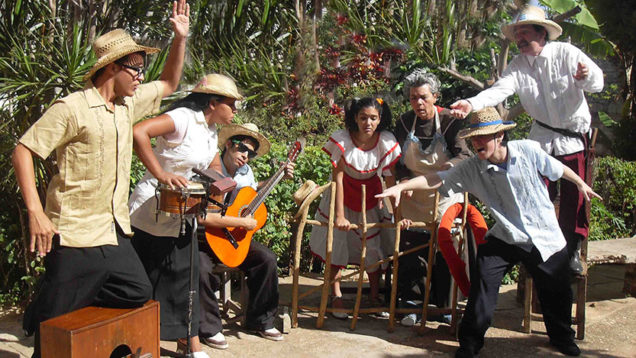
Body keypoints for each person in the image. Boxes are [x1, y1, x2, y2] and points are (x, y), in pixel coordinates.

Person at [12, 2, 189, 357]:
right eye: (135, 69)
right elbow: (24, 149)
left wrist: (179, 38)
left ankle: (54, 303)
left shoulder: (128, 106)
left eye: (142, 69)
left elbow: (169, 82)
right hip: (74, 232)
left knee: (137, 291)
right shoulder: (72, 108)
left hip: (112, 231)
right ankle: (48, 309)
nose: (141, 76)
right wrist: (35, 211)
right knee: (52, 331)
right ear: (111, 68)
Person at [376, 107, 601, 357]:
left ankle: (562, 337)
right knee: (484, 280)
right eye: (474, 138)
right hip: (506, 235)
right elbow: (437, 179)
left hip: (543, 235)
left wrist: (580, 184)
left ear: (499, 137)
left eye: (483, 137)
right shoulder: (472, 168)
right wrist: (402, 186)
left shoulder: (527, 150)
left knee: (556, 288)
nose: (477, 143)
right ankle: (470, 343)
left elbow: (557, 169)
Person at [450, 5, 604, 274]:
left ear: (541, 33)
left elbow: (598, 82)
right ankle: (535, 246)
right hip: (541, 138)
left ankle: (572, 250)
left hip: (572, 139)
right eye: (517, 33)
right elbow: (498, 91)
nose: (519, 38)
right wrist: (470, 103)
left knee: (574, 196)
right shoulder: (517, 66)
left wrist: (586, 76)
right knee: (534, 192)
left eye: (524, 33)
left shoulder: (567, 53)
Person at [128, 73, 244, 357]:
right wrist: (161, 174)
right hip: (150, 214)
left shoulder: (210, 129)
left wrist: (218, 182)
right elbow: (138, 132)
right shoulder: (182, 118)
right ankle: (139, 341)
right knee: (146, 279)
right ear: (214, 102)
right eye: (232, 103)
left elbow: (211, 160)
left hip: (184, 215)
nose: (236, 110)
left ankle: (188, 342)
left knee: (187, 279)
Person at [198, 123, 294, 349]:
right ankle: (210, 328)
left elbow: (250, 196)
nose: (246, 156)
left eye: (250, 153)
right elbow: (204, 216)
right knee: (199, 268)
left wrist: (277, 176)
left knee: (266, 259)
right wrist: (241, 221)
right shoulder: (210, 168)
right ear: (229, 144)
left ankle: (259, 320)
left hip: (232, 238)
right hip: (206, 235)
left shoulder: (245, 172)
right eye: (242, 149)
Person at [309, 97, 401, 319]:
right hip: (343, 195)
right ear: (355, 118)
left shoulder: (385, 142)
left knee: (373, 246)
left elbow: (390, 180)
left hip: (370, 196)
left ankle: (374, 295)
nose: (367, 123)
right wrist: (339, 215)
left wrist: (399, 214)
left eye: (373, 118)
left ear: (380, 119)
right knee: (337, 244)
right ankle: (336, 295)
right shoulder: (343, 140)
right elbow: (338, 179)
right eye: (363, 118)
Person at [394, 69, 472, 325]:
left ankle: (445, 305)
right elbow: (398, 160)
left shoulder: (450, 122)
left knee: (446, 248)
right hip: (414, 195)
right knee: (411, 248)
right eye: (414, 98)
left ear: (435, 97)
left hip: (445, 192)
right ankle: (412, 305)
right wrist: (404, 180)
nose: (418, 103)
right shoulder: (405, 123)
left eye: (424, 97)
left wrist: (445, 172)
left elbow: (464, 155)